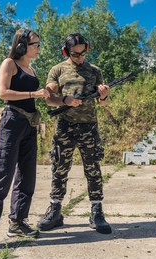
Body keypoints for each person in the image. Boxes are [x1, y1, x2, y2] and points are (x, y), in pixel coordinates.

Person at [0, 28, 50, 253]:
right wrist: (33, 94)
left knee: (27, 176)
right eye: (35, 44)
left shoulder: (32, 68)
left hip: (29, 125)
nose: (38, 47)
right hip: (12, 122)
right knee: (3, 175)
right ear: (21, 46)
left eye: (38, 43)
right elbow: (3, 93)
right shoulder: (9, 64)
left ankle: (17, 222)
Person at [37, 33, 112, 234]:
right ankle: (55, 211)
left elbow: (102, 104)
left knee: (93, 170)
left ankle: (97, 212)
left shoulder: (95, 71)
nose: (80, 58)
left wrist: (104, 96)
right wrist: (65, 100)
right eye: (75, 54)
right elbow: (49, 98)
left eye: (83, 53)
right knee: (59, 169)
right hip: (65, 126)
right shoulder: (58, 70)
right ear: (65, 52)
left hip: (89, 127)